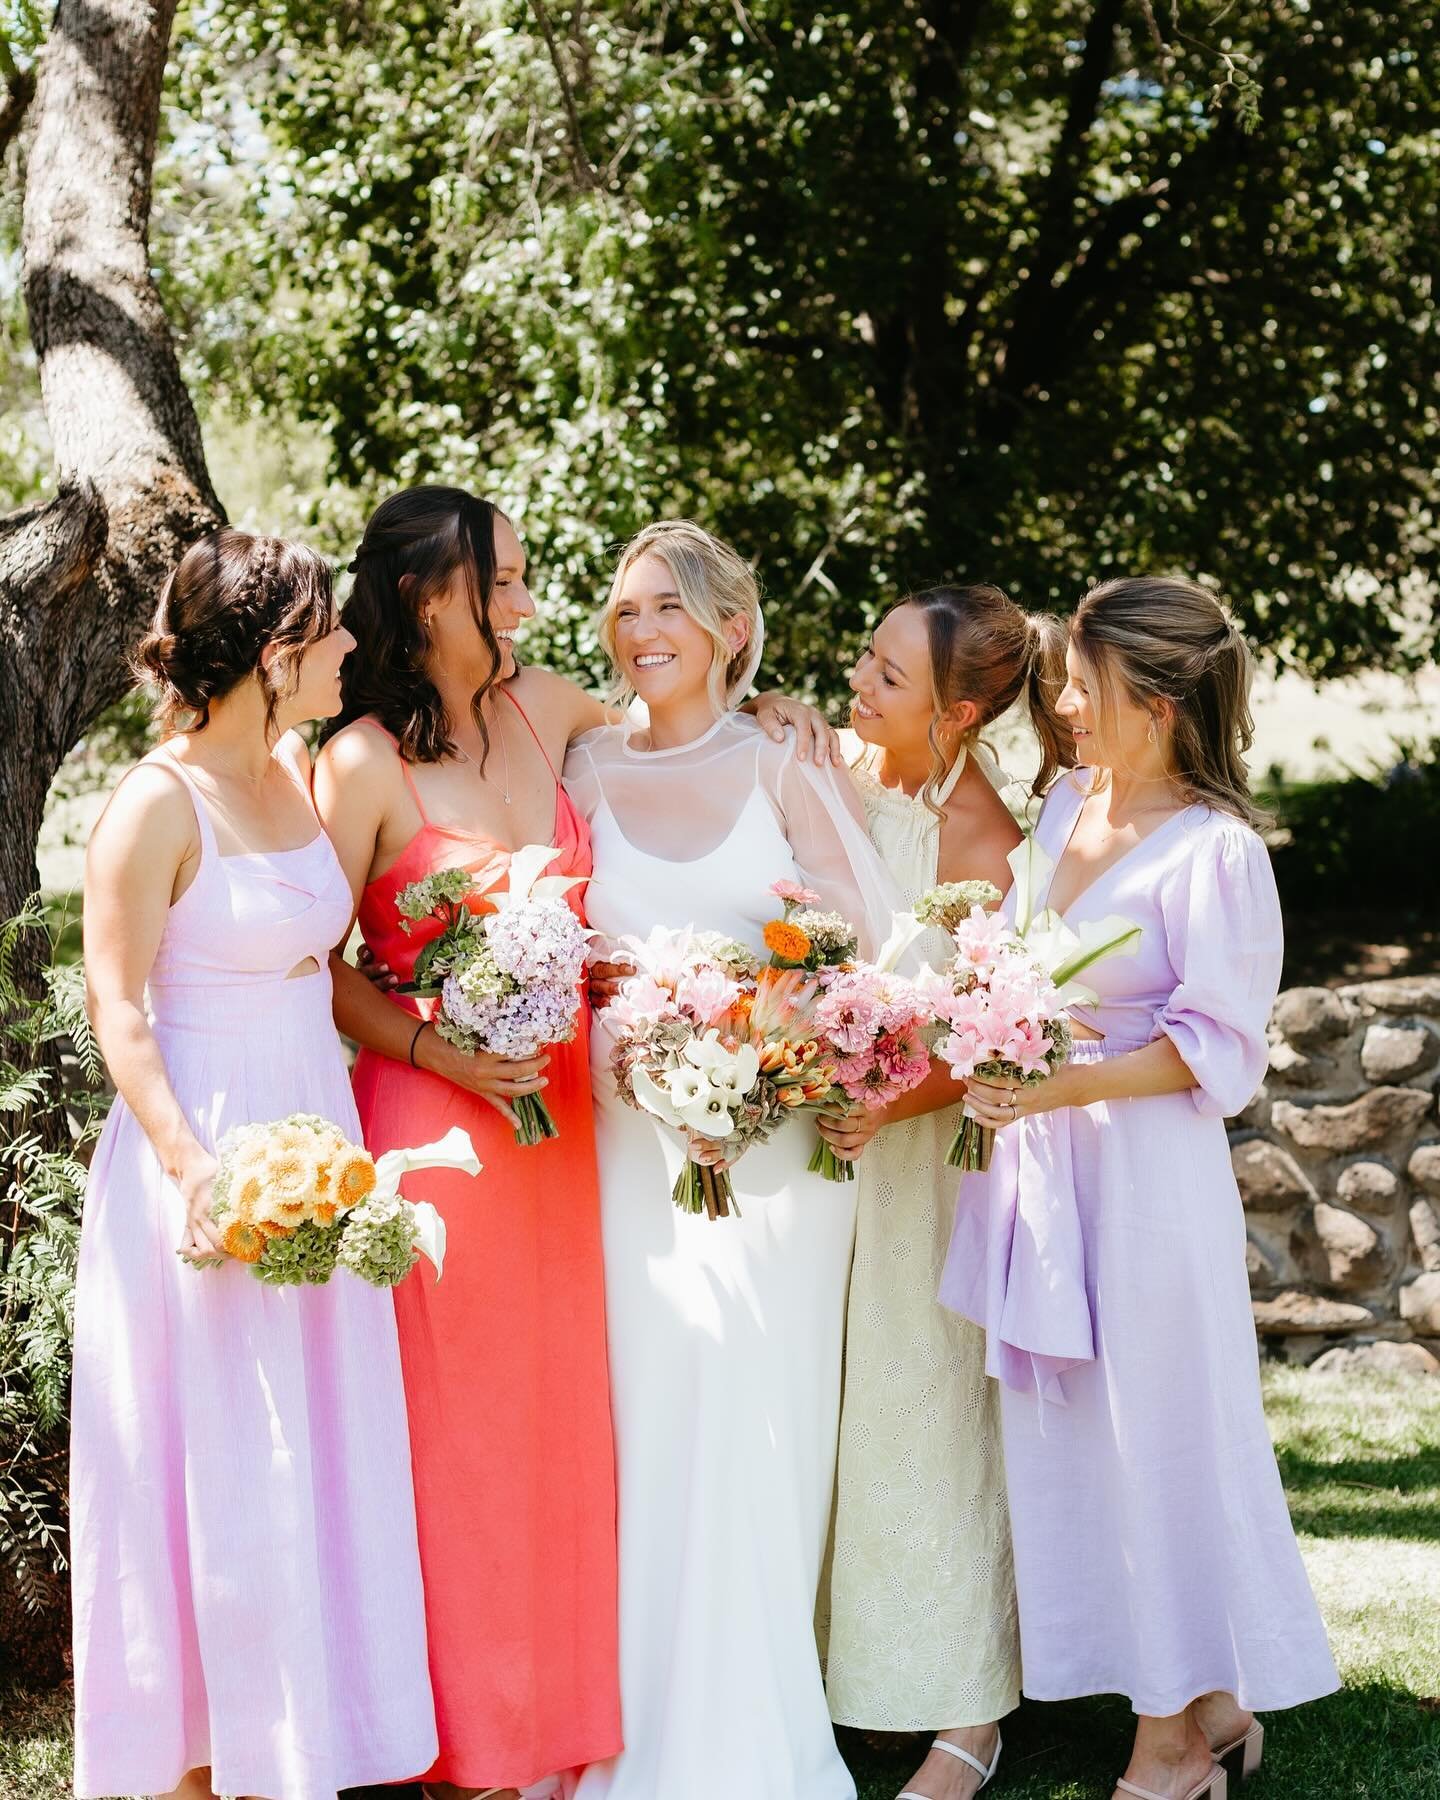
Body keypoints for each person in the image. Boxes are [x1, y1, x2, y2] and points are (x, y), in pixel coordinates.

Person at [314, 488, 832, 1800]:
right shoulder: (360, 760)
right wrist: (439, 1050)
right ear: (434, 597)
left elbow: (678, 724)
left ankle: (556, 1734)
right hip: (444, 1129)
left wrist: (775, 710)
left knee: (567, 1437)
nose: (531, 607)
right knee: (462, 1441)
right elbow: (317, 969)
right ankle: (455, 1744)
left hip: (570, 1138)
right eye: (505, 585)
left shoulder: (548, 709)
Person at [942, 578, 1338, 1800]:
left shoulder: (1216, 853)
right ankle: (1210, 1703)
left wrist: (1056, 1083)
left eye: (1081, 685)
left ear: (1159, 705)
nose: (1058, 706)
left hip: (1145, 1182)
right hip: (1038, 1177)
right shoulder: (1065, 806)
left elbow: (1215, 1047)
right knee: (1071, 1444)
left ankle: (1170, 1746)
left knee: (1158, 1443)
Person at [71, 530, 435, 1800]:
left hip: (312, 1122)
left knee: (313, 1440)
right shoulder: (154, 803)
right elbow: (118, 1011)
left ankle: (304, 1739)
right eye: (329, 632)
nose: (348, 651)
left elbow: (317, 957)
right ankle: (188, 1760)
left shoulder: (290, 766)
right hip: (206, 1143)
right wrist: (199, 1175)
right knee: (215, 1445)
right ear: (278, 655)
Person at [565, 520, 902, 1800]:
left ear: (729, 626)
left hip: (772, 1151)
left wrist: (757, 1053)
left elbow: (854, 949)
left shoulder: (784, 763)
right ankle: (635, 1724)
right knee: (649, 1422)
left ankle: (756, 1730)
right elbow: (565, 949)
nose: (639, 631)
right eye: (621, 609)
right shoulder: (584, 766)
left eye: (666, 608)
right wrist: (639, 1049)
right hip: (626, 1149)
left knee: (759, 1422)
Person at [816, 586, 1070, 1800]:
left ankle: (968, 1712)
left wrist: (887, 1100)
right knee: (827, 1422)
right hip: (810, 1165)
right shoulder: (825, 770)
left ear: (962, 710)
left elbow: (993, 1037)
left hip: (922, 1170)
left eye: (889, 676)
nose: (859, 684)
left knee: (922, 1423)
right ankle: (840, 1671)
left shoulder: (989, 846)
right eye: (865, 659)